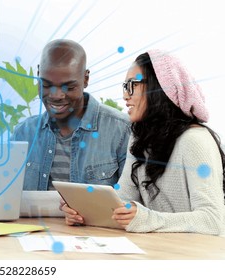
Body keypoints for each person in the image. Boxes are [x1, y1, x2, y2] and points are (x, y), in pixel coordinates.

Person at [63, 50, 225, 235]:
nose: (125, 96)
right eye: (125, 86)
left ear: (161, 88)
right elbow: (122, 201)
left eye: (132, 85)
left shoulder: (195, 140)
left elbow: (213, 220)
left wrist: (148, 219)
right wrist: (84, 213)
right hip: (158, 251)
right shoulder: (140, 138)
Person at [12, 39, 130, 191]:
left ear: (85, 79)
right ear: (38, 74)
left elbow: (132, 204)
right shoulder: (23, 133)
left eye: (68, 87)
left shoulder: (121, 131)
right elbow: (6, 197)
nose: (56, 96)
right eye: (46, 85)